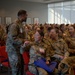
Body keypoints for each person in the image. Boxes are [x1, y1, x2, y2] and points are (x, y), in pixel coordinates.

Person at [6, 10, 28, 75]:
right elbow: (13, 38)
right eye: (26, 15)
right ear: (22, 16)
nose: (27, 17)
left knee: (20, 66)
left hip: (18, 49)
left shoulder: (20, 24)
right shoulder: (14, 25)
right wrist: (23, 41)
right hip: (13, 49)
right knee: (16, 67)